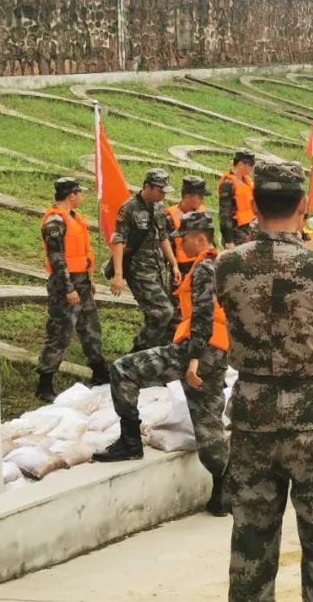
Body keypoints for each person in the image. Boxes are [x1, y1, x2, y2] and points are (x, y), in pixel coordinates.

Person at [215, 160, 313, 602]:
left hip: (253, 415)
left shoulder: (227, 266)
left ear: (253, 205)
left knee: (252, 541)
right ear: (305, 205)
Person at [94, 211, 230, 517]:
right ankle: (224, 491)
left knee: (123, 369)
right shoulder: (221, 264)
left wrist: (192, 359)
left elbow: (203, 316)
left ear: (199, 238)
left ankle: (130, 441)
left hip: (196, 351)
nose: (181, 245)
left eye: (184, 240)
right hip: (217, 353)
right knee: (208, 423)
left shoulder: (206, 269)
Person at [36, 177, 108, 403]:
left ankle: (99, 372)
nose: (82, 197)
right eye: (79, 193)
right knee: (60, 332)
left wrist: (88, 279)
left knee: (90, 327)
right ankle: (45, 383)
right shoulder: (55, 222)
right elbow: (56, 259)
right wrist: (68, 288)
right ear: (71, 196)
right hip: (64, 285)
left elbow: (78, 254)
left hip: (81, 282)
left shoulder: (74, 218)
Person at [110, 169, 180, 352]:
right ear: (147, 186)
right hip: (138, 269)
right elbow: (118, 241)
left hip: (156, 267)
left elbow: (163, 237)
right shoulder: (129, 208)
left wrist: (173, 264)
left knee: (162, 314)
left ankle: (152, 355)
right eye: (160, 190)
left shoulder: (158, 206)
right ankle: (138, 351)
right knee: (163, 312)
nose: (163, 195)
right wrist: (118, 274)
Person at [165, 175, 208, 279]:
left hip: (202, 268)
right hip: (181, 272)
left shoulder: (202, 213)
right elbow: (166, 249)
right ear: (188, 197)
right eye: (200, 197)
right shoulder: (170, 219)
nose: (202, 201)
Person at [219, 151, 256, 248]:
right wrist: (228, 240)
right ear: (240, 164)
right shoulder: (228, 184)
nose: (252, 168)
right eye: (251, 165)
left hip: (248, 230)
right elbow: (224, 214)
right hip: (236, 234)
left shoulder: (247, 181)